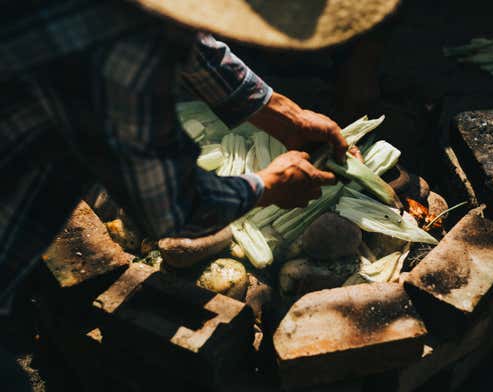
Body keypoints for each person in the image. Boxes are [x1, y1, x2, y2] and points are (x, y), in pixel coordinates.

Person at [0, 0, 400, 388]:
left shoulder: (138, 16)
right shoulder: (119, 60)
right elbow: (173, 211)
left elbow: (188, 39)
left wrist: (281, 112)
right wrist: (267, 186)